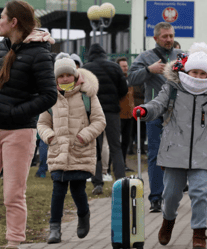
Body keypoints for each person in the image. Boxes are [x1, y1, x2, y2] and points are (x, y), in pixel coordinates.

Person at [0, 1, 57, 248]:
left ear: (14, 22)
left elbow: (49, 95)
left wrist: (14, 114)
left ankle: (14, 243)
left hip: (18, 133)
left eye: (2, 17)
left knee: (13, 196)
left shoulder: (40, 53)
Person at [133, 42, 207, 249]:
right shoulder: (172, 88)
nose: (197, 76)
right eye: (193, 71)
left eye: (202, 73)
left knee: (200, 193)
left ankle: (199, 233)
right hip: (174, 151)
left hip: (201, 153)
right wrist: (144, 109)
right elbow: (157, 104)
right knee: (171, 195)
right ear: (187, 70)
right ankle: (168, 221)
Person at [37, 53, 106, 244]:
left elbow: (100, 121)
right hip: (58, 150)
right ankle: (55, 228)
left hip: (80, 150)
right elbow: (42, 123)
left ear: (75, 75)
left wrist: (84, 135)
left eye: (68, 74)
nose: (65, 78)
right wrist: (49, 136)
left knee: (78, 189)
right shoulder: (51, 97)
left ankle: (84, 214)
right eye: (61, 76)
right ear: (56, 78)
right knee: (58, 190)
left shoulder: (87, 94)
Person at [128, 22, 183, 212]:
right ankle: (156, 197)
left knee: (177, 154)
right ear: (156, 38)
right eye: (165, 36)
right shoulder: (145, 57)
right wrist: (148, 70)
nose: (169, 40)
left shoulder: (181, 56)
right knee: (155, 154)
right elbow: (131, 78)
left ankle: (174, 192)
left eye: (171, 36)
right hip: (154, 112)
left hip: (178, 112)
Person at [83, 43, 128, 195]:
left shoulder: (86, 68)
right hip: (112, 112)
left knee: (95, 147)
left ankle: (98, 183)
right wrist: (115, 99)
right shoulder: (114, 67)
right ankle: (121, 181)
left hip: (94, 113)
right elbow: (124, 89)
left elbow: (82, 91)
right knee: (116, 146)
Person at [116, 56, 135, 172]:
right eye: (123, 66)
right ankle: (112, 165)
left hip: (130, 115)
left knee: (126, 141)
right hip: (119, 115)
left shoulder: (130, 78)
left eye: (126, 66)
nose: (125, 68)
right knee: (116, 142)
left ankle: (123, 163)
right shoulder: (116, 79)